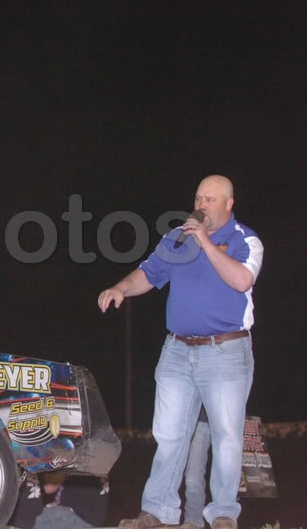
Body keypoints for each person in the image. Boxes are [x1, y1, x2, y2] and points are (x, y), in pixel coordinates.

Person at [97, 175, 263, 529]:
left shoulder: (245, 239)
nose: (201, 205)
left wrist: (205, 242)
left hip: (225, 352)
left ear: (229, 204)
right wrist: (121, 288)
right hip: (177, 351)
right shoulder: (177, 238)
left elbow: (242, 281)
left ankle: (222, 513)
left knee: (227, 437)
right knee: (169, 435)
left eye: (210, 199)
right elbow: (148, 273)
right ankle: (158, 511)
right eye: (199, 198)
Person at [181, 408, 211, 529]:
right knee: (192, 475)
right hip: (199, 419)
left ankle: (226, 515)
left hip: (226, 416)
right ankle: (194, 519)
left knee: (228, 471)